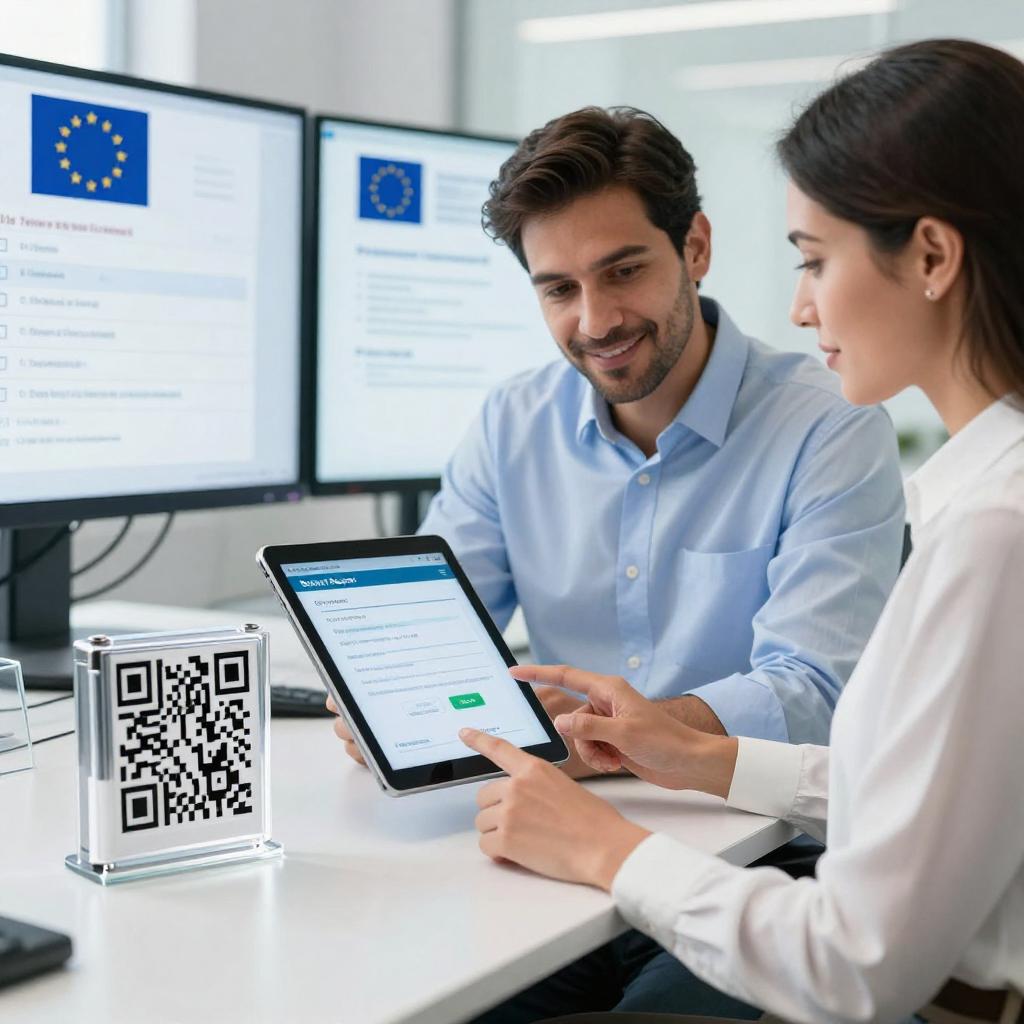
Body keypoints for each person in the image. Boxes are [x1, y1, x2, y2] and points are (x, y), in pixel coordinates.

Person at [458, 38, 1024, 1024]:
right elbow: (920, 794)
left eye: (813, 259)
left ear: (931, 255)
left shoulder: (991, 532)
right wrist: (686, 750)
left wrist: (602, 845)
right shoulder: (978, 499)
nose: (800, 304)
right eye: (556, 287)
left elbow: (856, 966)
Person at [330, 104, 905, 1019]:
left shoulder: (831, 426)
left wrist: (614, 734)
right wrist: (381, 696)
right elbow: (430, 624)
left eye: (623, 271)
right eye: (558, 289)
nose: (596, 320)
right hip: (550, 851)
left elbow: (816, 692)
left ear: (697, 247)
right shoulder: (511, 423)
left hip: (767, 853)